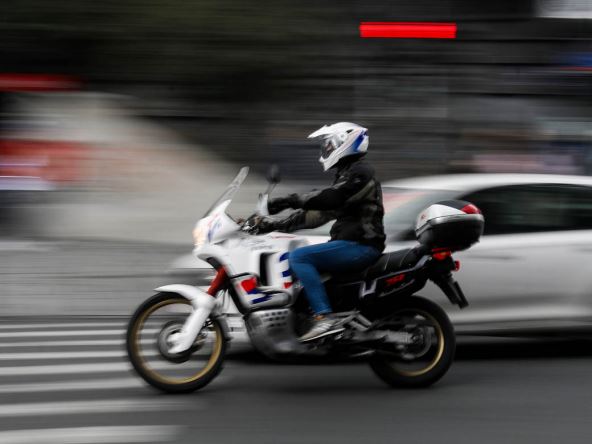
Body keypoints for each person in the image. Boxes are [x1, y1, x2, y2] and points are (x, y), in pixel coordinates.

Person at [253, 122, 386, 342]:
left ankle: (324, 316)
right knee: (295, 262)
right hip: (351, 243)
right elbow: (318, 214)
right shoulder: (347, 175)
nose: (325, 150)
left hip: (361, 245)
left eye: (329, 144)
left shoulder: (360, 173)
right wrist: (274, 225)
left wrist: (288, 201)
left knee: (299, 257)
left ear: (345, 142)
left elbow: (330, 198)